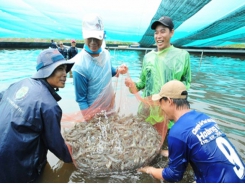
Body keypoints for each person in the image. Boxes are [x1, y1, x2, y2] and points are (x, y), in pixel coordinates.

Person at [138, 80, 245, 183]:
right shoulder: (205, 118)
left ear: (169, 101)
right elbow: (196, 147)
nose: (161, 107)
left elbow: (172, 175)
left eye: (161, 102)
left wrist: (148, 169)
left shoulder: (177, 131)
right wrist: (161, 152)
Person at [0, 48, 75, 182]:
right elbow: (55, 144)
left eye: (65, 69)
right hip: (18, 167)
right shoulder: (49, 106)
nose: (65, 74)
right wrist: (73, 160)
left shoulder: (19, 83)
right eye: (60, 69)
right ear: (46, 71)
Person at [125, 16, 191, 144]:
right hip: (148, 111)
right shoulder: (148, 57)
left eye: (162, 31)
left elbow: (185, 85)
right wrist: (131, 84)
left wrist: (171, 102)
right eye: (156, 32)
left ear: (172, 32)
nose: (158, 36)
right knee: (144, 144)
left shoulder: (183, 56)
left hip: (169, 113)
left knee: (167, 145)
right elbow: (142, 83)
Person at [70, 13, 127, 120]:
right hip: (93, 114)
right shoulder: (80, 67)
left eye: (97, 38)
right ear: (84, 36)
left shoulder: (106, 54)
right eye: (89, 38)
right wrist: (89, 119)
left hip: (110, 107)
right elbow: (81, 99)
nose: (93, 42)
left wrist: (119, 70)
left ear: (103, 35)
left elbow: (109, 71)